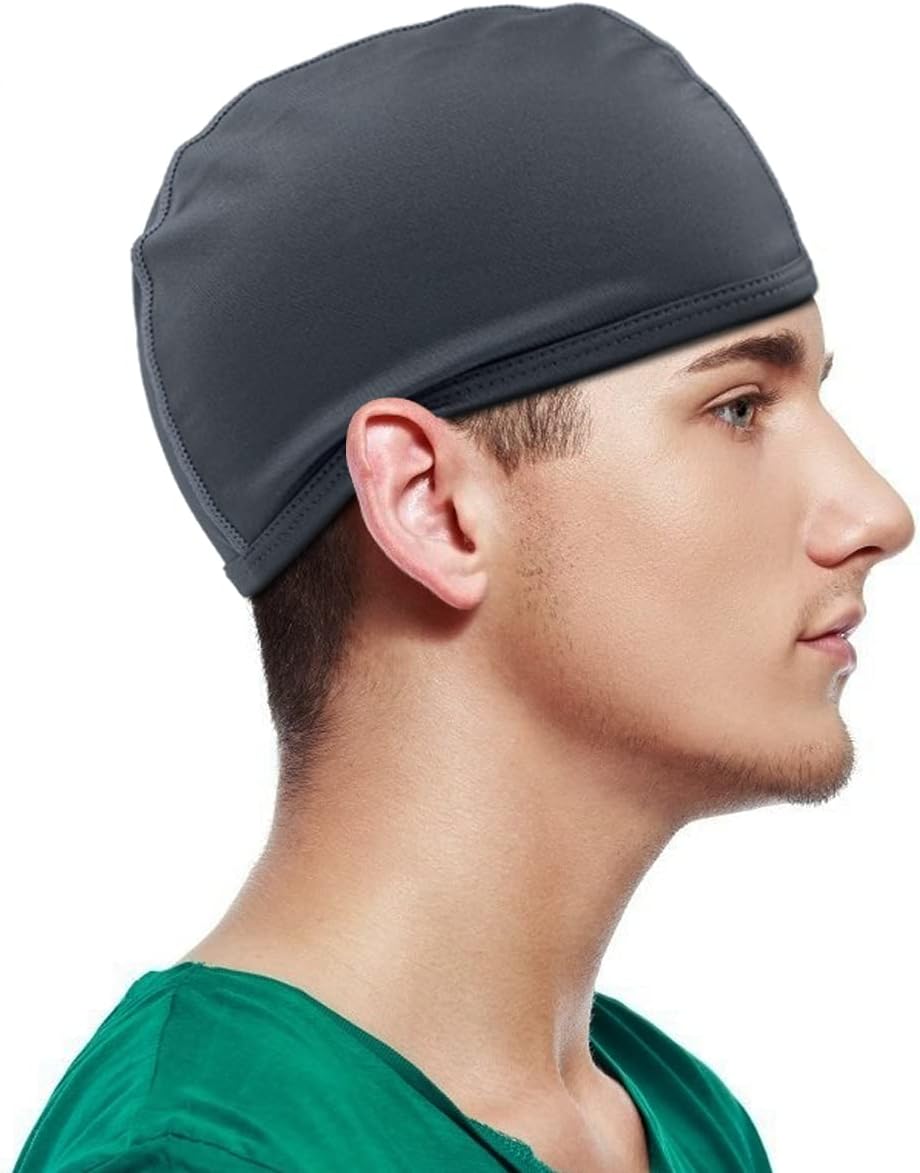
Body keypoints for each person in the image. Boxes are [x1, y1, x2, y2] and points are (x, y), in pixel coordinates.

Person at [14, 5, 914, 1172]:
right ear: (429, 506)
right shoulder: (200, 1158)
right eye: (737, 408)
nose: (875, 514)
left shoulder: (678, 1118)